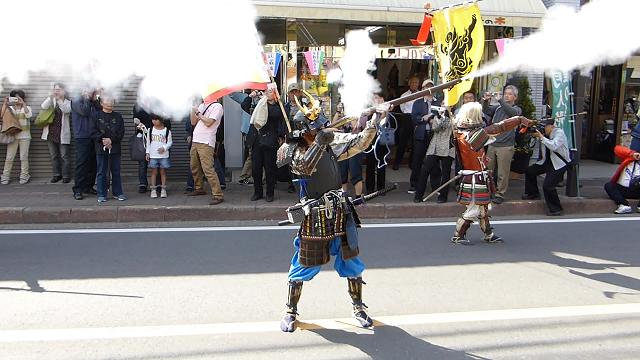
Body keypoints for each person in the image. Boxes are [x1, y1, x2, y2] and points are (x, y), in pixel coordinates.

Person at [276, 96, 389, 333]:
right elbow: (305, 166)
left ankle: (358, 307)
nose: (320, 129)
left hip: (339, 209)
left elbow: (360, 142)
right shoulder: (291, 150)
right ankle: (290, 310)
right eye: (315, 128)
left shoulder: (330, 142)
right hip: (314, 214)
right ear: (303, 131)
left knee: (351, 261)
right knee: (303, 264)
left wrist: (376, 118)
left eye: (321, 126)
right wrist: (320, 142)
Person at [451, 102, 530, 244]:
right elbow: (498, 128)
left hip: (477, 175)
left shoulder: (463, 133)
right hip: (474, 177)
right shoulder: (470, 134)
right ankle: (458, 235)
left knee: (483, 207)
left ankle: (488, 234)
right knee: (475, 208)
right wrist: (518, 119)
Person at [482, 85, 522, 204]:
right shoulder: (498, 108)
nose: (506, 95)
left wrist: (499, 100)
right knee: (488, 170)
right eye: (505, 93)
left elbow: (512, 113)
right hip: (493, 143)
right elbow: (486, 110)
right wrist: (486, 101)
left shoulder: (517, 109)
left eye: (509, 94)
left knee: (502, 173)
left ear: (515, 97)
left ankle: (500, 193)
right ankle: (488, 191)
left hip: (506, 146)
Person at [522, 119, 571, 216]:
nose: (543, 128)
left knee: (548, 186)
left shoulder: (559, 133)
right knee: (530, 171)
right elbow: (532, 146)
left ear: (552, 126)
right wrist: (533, 136)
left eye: (545, 126)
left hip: (559, 164)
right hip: (546, 162)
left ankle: (556, 209)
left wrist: (541, 137)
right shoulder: (544, 134)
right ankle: (533, 194)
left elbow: (554, 146)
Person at [248, 86, 286, 202]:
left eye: (270, 92)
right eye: (266, 91)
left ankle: (270, 193)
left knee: (269, 169)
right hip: (256, 141)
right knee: (255, 169)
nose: (267, 94)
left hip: (269, 142)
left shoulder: (277, 107)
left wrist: (265, 102)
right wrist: (251, 97)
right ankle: (257, 192)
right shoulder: (259, 105)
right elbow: (244, 106)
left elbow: (274, 115)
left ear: (275, 94)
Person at [414, 106, 455, 203]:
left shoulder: (454, 117)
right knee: (425, 170)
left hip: (448, 147)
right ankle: (418, 195)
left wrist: (446, 116)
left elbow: (450, 127)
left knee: (446, 174)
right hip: (435, 146)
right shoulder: (437, 117)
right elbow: (436, 128)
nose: (443, 107)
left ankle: (443, 196)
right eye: (442, 104)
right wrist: (440, 116)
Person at [189, 97, 224, 205]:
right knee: (194, 166)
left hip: (206, 141)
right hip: (196, 140)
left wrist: (198, 113)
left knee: (208, 169)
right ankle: (199, 188)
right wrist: (192, 109)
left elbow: (209, 122)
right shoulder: (201, 105)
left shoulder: (217, 106)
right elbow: (193, 122)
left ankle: (218, 195)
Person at [93, 94, 126, 203]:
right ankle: (101, 194)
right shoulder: (96, 116)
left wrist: (111, 140)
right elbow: (92, 131)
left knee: (116, 171)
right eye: (107, 100)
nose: (110, 102)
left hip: (115, 147)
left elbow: (121, 132)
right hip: (100, 148)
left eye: (112, 100)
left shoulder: (118, 116)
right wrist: (103, 140)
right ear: (101, 103)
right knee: (101, 171)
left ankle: (118, 193)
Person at [409, 79, 439, 194]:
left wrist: (435, 119)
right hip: (421, 134)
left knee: (434, 161)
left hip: (434, 135)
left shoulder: (438, 102)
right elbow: (413, 118)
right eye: (427, 87)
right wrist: (423, 118)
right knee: (417, 160)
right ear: (423, 89)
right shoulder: (418, 102)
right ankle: (414, 185)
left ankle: (435, 186)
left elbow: (442, 116)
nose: (429, 89)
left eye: (431, 86)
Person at [71, 89, 101, 200]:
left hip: (94, 135)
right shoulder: (76, 100)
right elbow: (84, 111)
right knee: (82, 163)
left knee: (93, 163)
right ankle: (78, 189)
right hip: (82, 136)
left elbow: (100, 112)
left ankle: (88, 186)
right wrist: (88, 98)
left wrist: (95, 100)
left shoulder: (93, 101)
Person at [41, 83, 72, 183]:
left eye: (58, 89)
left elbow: (66, 110)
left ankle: (66, 176)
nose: (56, 91)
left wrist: (59, 100)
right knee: (54, 156)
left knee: (64, 156)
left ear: (64, 91)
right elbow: (43, 107)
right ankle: (56, 175)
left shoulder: (68, 102)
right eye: (55, 89)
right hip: (51, 132)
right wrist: (50, 97)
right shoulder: (51, 100)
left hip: (62, 133)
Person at [1, 90, 32, 185]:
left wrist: (23, 104)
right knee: (9, 157)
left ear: (23, 98)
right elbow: (1, 116)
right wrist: (5, 104)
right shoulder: (9, 108)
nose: (17, 100)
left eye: (19, 98)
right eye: (14, 98)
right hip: (12, 136)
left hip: (25, 136)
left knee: (23, 157)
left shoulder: (27, 108)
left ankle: (24, 175)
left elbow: (29, 115)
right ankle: (5, 176)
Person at [394, 75, 421, 170]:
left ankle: (412, 163)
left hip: (416, 118)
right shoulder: (404, 95)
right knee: (403, 141)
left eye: (416, 83)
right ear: (409, 84)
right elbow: (402, 107)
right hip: (407, 118)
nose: (414, 84)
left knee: (414, 142)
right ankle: (397, 163)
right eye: (412, 82)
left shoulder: (421, 94)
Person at [364, 93, 389, 194]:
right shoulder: (369, 112)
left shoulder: (387, 112)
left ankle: (381, 188)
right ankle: (369, 188)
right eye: (375, 98)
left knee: (381, 164)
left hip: (382, 142)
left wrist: (385, 113)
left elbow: (387, 124)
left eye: (380, 98)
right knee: (370, 165)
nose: (378, 100)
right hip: (370, 141)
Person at [604, 144, 640, 214]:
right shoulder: (630, 159)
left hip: (638, 190)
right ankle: (624, 205)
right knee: (609, 185)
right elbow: (617, 149)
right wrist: (632, 154)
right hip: (624, 188)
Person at [229, 90, 254, 185]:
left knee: (257, 154)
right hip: (248, 131)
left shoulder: (264, 98)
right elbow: (231, 94)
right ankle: (244, 176)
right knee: (252, 155)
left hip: (261, 131)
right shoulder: (245, 97)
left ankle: (261, 178)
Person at [338, 116, 367, 198]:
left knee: (355, 173)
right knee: (342, 174)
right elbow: (334, 125)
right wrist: (338, 113)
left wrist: (353, 116)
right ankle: (344, 197)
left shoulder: (361, 114)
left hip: (355, 147)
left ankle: (358, 197)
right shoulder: (342, 115)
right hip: (342, 147)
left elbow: (356, 127)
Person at [146, 113, 172, 198]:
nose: (154, 121)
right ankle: (153, 189)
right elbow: (148, 143)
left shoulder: (167, 131)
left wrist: (164, 148)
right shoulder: (150, 130)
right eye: (153, 119)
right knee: (153, 172)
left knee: (163, 172)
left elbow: (169, 142)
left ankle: (163, 189)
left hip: (163, 155)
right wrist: (147, 153)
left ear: (161, 120)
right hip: (153, 155)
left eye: (156, 119)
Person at [133, 102, 153, 194]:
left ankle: (157, 184)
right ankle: (143, 184)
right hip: (142, 137)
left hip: (156, 136)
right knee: (142, 162)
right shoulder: (138, 106)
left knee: (156, 162)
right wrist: (140, 125)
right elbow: (136, 121)